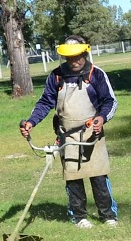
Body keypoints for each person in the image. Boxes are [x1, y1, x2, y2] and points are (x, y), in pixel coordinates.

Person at [19, 35, 119, 228]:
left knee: (99, 176)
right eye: (70, 58)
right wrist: (31, 122)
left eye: (78, 57)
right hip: (67, 136)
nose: (74, 61)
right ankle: (79, 217)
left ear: (85, 53)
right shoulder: (56, 76)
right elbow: (45, 102)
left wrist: (101, 118)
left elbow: (110, 101)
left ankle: (108, 216)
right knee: (73, 178)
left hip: (92, 133)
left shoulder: (96, 74)